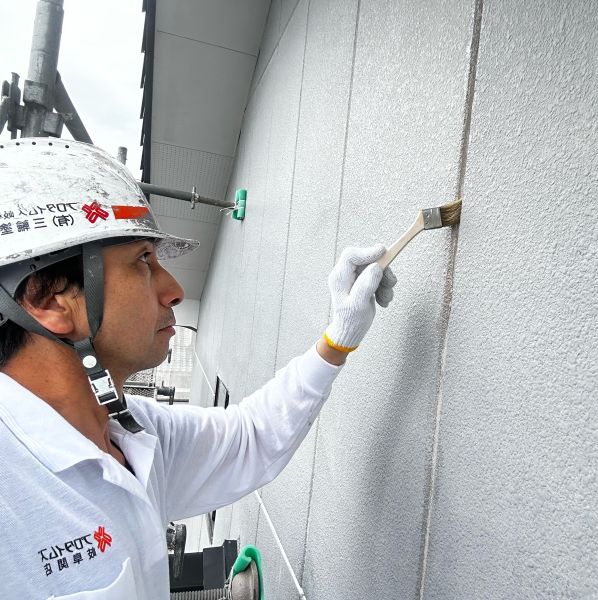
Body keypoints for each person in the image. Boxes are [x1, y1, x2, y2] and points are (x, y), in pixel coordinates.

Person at [0, 138, 397, 598]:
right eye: (143, 260)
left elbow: (250, 437)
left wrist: (336, 340)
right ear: (50, 300)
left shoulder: (130, 431)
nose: (173, 290)